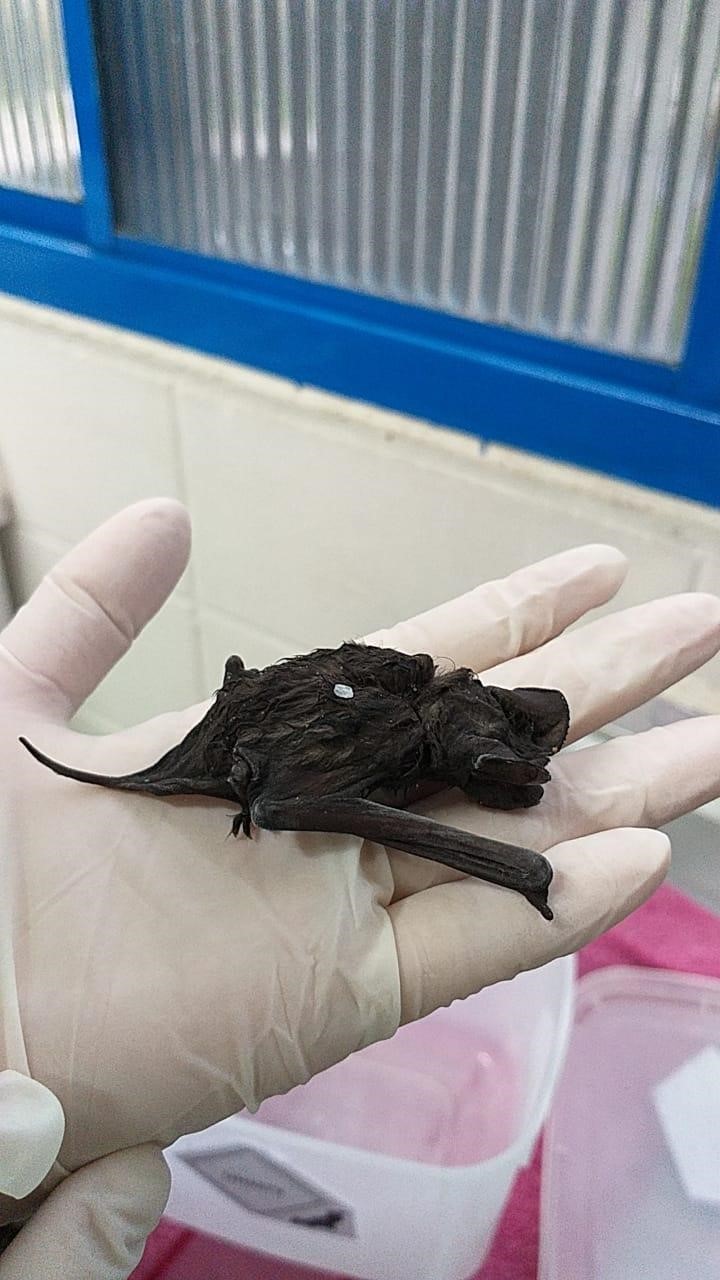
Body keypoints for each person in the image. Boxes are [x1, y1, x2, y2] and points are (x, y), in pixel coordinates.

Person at [0, 498, 718, 1279]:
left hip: (318, 726)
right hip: (277, 764)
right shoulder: (399, 744)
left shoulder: (430, 693)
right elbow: (308, 783)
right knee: (330, 773)